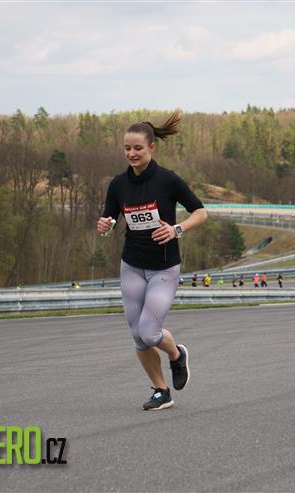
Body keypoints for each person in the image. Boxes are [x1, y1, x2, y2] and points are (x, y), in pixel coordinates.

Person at [97, 111, 208, 411]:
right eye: (127, 148)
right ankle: (161, 391)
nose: (131, 153)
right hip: (132, 265)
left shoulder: (168, 180)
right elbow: (110, 219)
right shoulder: (118, 184)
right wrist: (105, 225)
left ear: (151, 148)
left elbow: (201, 212)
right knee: (138, 337)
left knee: (149, 331)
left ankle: (177, 355)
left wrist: (176, 229)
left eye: (138, 148)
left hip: (163, 267)